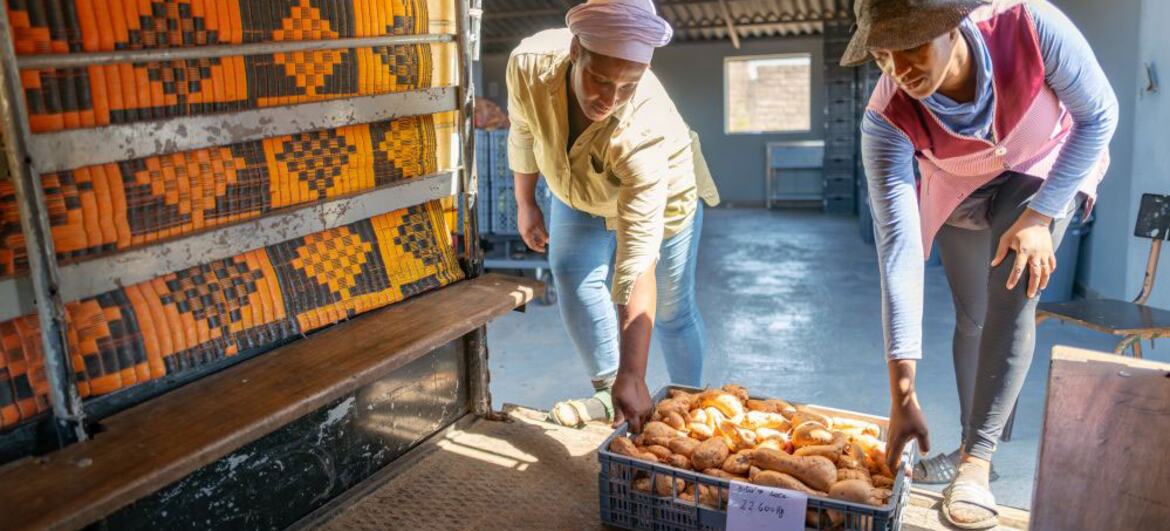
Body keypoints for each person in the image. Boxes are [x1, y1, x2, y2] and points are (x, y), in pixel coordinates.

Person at [841, 0, 1117, 527]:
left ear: (951, 23)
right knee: (973, 317)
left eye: (912, 46)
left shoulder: (1028, 26)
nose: (900, 70)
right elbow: (897, 251)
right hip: (959, 185)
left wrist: (1041, 215)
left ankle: (977, 461)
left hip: (1042, 166)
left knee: (1013, 288)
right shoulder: (885, 120)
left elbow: (1098, 114)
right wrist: (903, 393)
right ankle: (970, 437)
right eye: (883, 54)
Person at [505, 0, 720, 432]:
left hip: (665, 191)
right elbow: (524, 128)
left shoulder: (643, 128)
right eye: (599, 80)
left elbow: (637, 256)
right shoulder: (527, 64)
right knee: (570, 274)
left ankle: (684, 408)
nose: (610, 98)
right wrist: (526, 202)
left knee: (674, 311)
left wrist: (635, 371)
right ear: (574, 52)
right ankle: (610, 394)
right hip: (579, 185)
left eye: (628, 86)